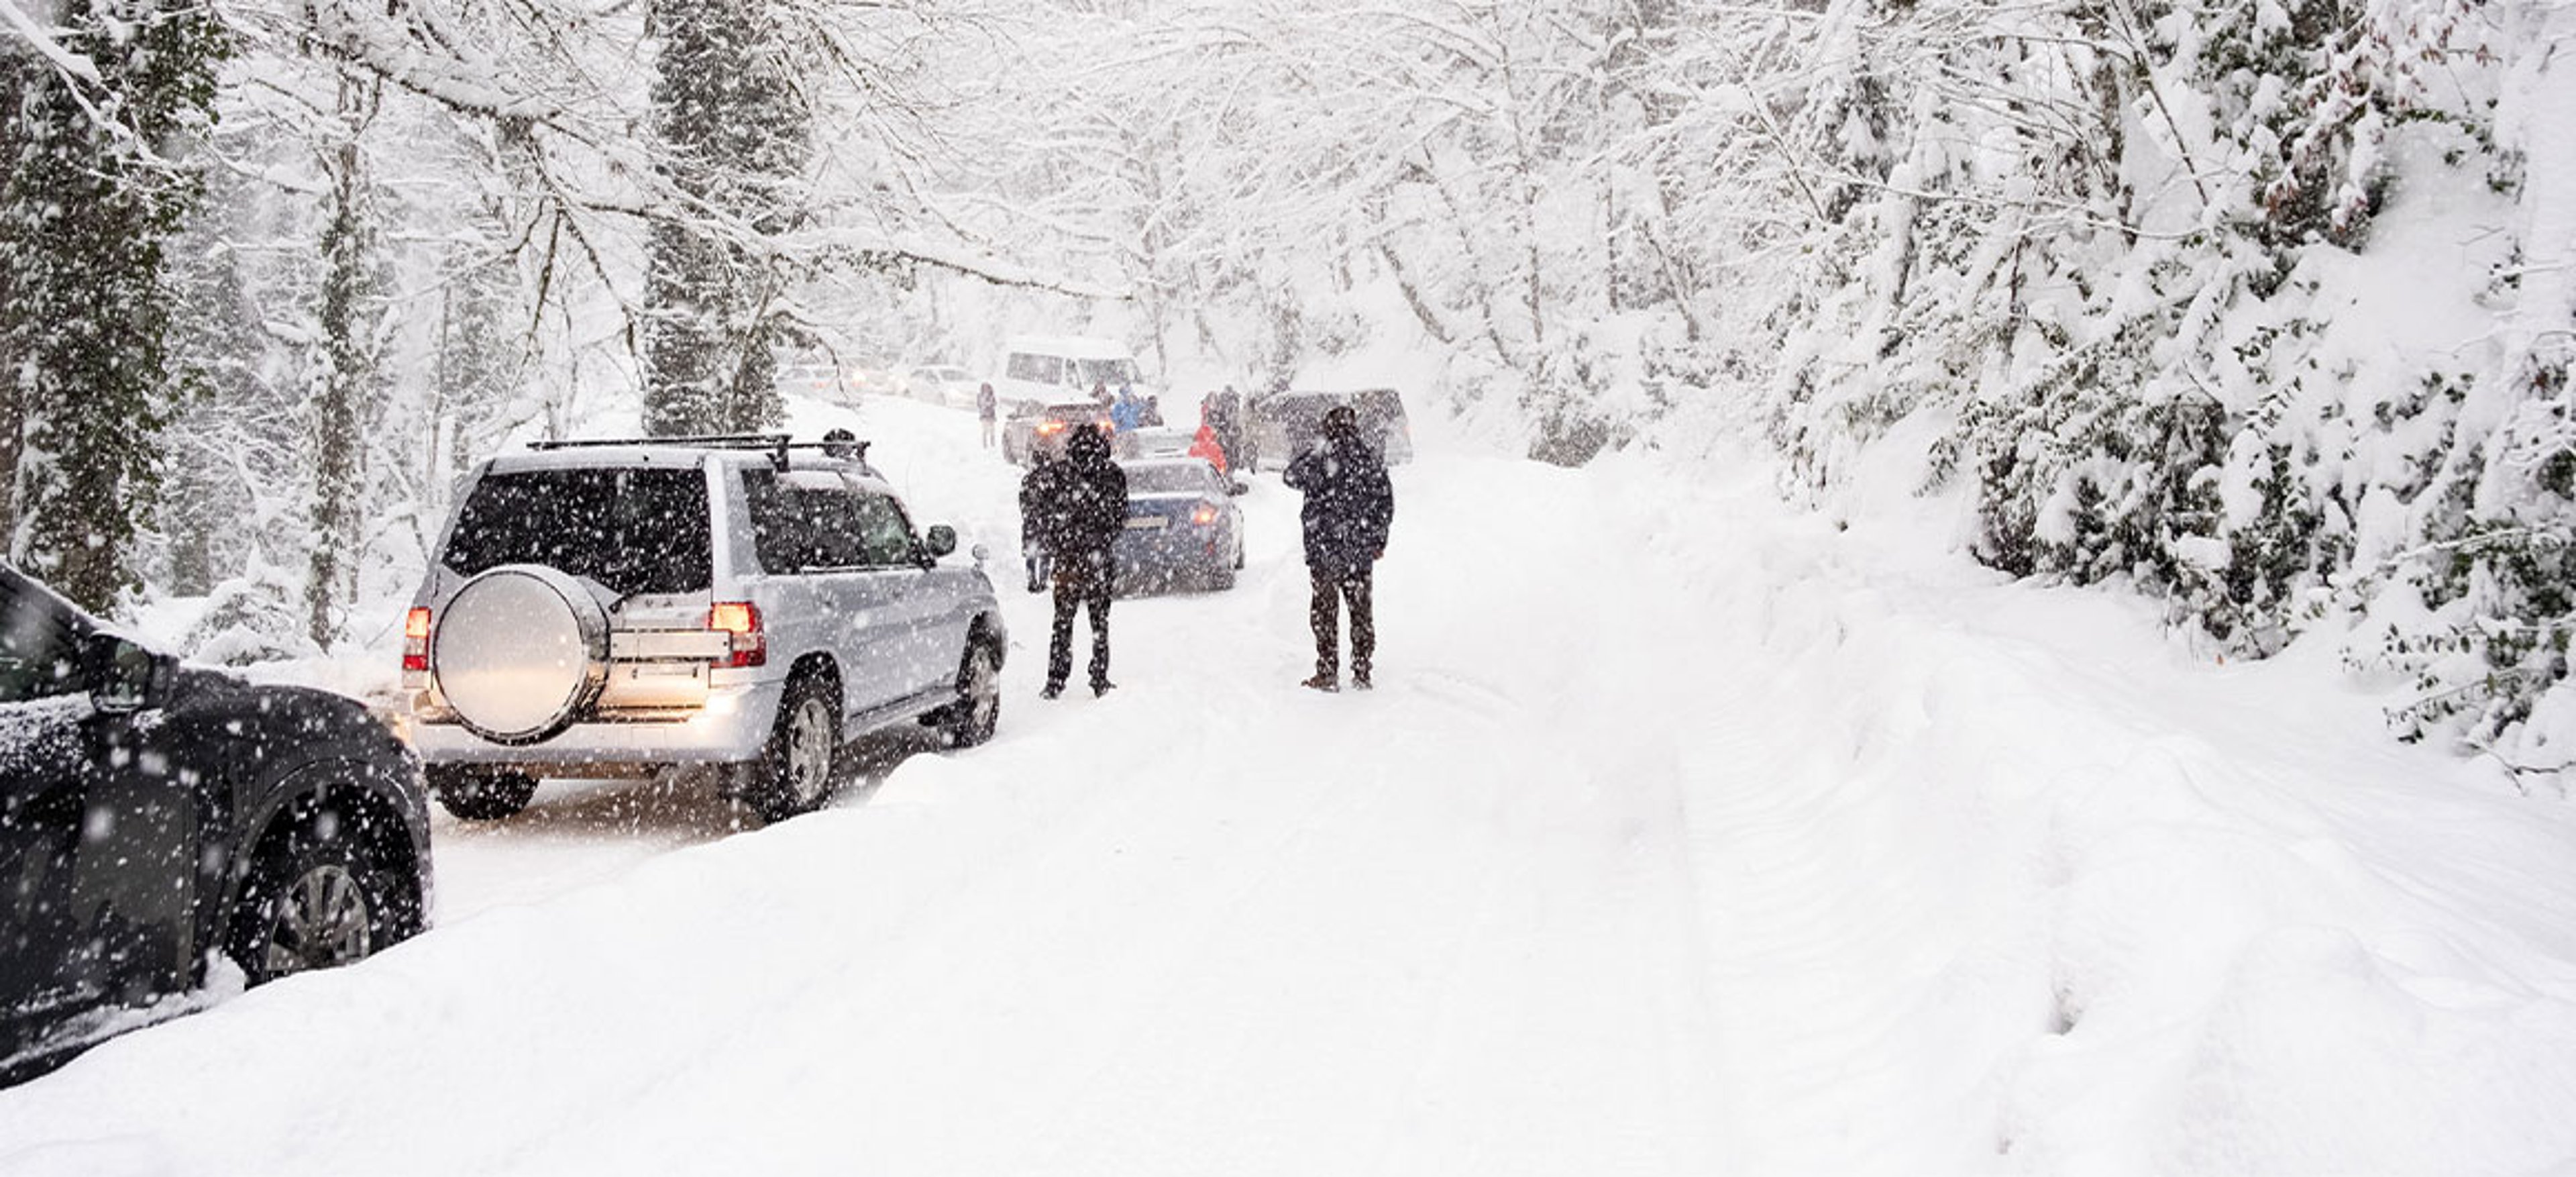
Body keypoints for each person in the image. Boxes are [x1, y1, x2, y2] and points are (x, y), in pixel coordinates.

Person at [1284, 405, 1393, 691]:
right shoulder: (1369, 458)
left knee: (1324, 613)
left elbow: (1290, 476)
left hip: (1324, 551)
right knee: (1360, 612)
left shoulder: (1320, 457)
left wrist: (1317, 448)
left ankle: (1328, 672)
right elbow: (1385, 503)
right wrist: (1378, 541)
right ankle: (1362, 670)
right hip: (1359, 552)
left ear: (1328, 427)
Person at [1034, 424, 1128, 698]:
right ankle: (1099, 676)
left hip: (1068, 558)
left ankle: (1055, 680)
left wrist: (1061, 540)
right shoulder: (1112, 474)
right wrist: (1101, 539)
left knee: (1063, 620)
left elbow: (1045, 511)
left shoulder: (1061, 474)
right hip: (1097, 558)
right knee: (1099, 620)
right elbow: (1120, 516)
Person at [1018, 447, 1057, 593]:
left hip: (1032, 523)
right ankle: (1042, 581)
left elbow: (1023, 502)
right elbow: (1055, 502)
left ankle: (1032, 581)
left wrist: (1029, 515)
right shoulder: (1050, 481)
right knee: (1045, 554)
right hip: (1046, 523)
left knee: (1031, 555)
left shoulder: (1029, 480)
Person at [976, 382, 999, 448]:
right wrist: (987, 405)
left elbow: (995, 403)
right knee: (985, 431)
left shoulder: (992, 395)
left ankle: (993, 444)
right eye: (985, 388)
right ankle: (985, 445)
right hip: (984, 416)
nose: (986, 389)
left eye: (987, 388)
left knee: (992, 431)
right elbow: (979, 404)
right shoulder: (980, 396)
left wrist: (990, 403)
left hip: (991, 416)